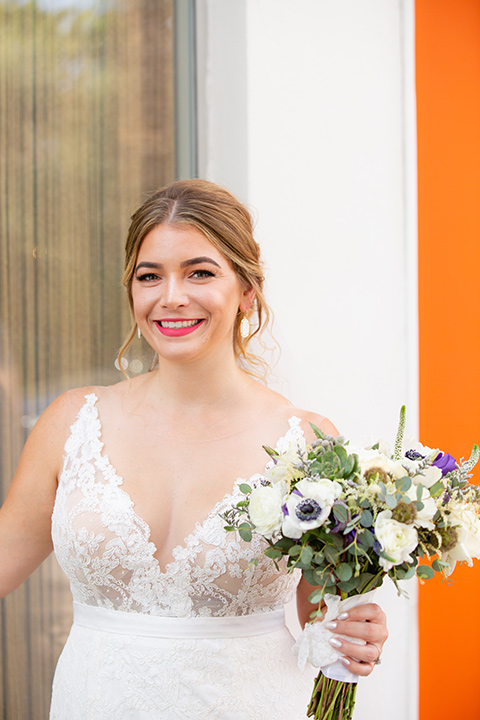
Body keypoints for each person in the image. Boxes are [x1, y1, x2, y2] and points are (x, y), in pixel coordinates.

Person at [0, 179, 388, 719]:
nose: (171, 296)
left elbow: (325, 617)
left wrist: (355, 632)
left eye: (199, 272)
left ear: (247, 291)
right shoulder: (72, 422)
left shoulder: (307, 444)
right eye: (149, 276)